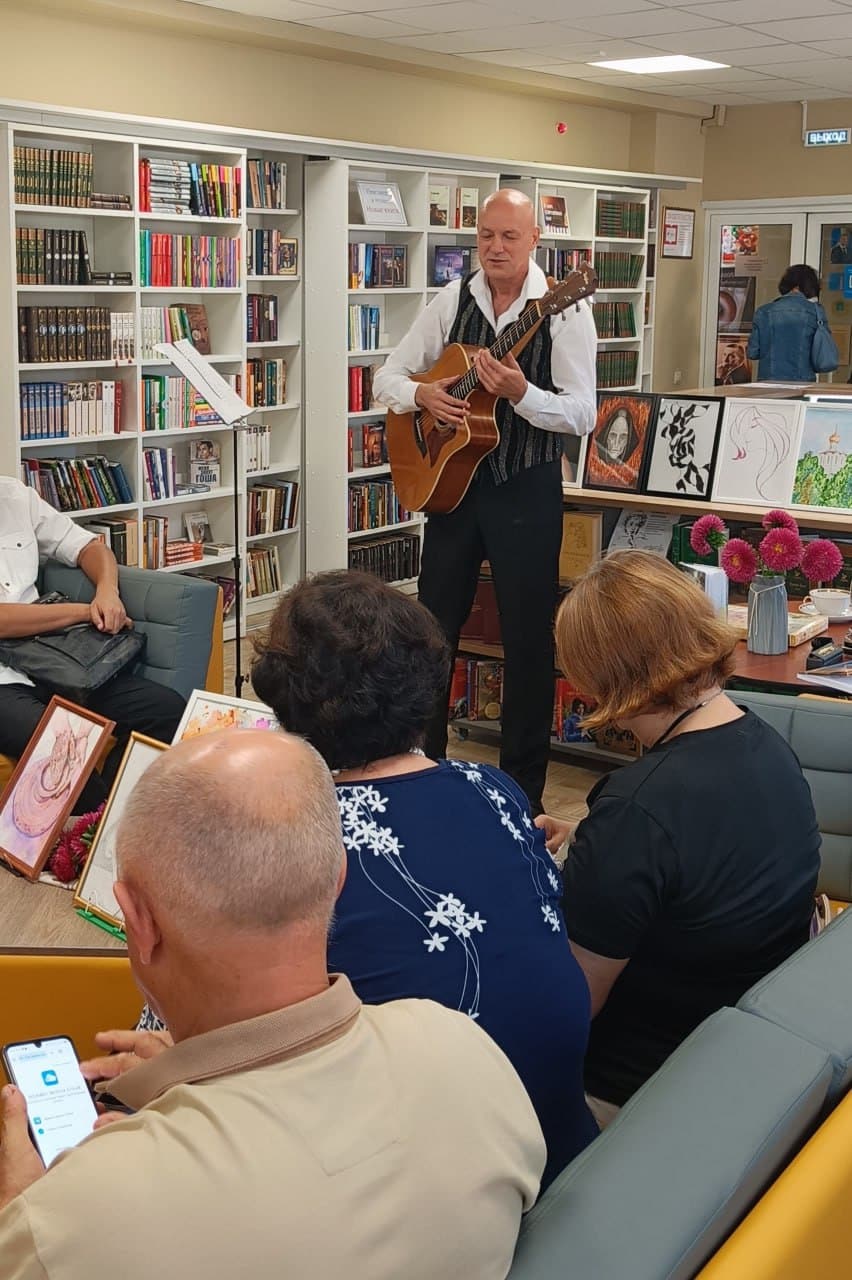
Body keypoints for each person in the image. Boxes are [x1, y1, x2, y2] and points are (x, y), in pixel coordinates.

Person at [0, 730, 545, 1278]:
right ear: (337, 880)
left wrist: (21, 1219)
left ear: (138, 923)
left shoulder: (80, 1219)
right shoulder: (465, 1050)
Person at [249, 570, 598, 1186]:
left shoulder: (297, 838)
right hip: (564, 1146)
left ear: (285, 698)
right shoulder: (494, 788)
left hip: (433, 1187)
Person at [540, 552, 820, 1126]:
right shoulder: (770, 747)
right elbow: (705, 857)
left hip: (636, 1092)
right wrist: (590, 842)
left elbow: (566, 1008)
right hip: (735, 1052)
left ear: (599, 679)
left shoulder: (638, 809)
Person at [373, 188, 597, 814]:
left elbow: (583, 413)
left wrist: (523, 393)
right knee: (431, 629)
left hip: (525, 487)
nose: (496, 248)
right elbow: (387, 376)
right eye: (486, 237)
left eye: (509, 237)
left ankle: (524, 798)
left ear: (534, 242)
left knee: (529, 642)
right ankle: (424, 770)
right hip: (452, 488)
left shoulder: (564, 311)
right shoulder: (453, 298)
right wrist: (423, 399)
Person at [0, 477, 185, 808]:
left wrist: (107, 591)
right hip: (3, 679)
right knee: (62, 743)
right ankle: (90, 840)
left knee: (165, 709)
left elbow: (89, 546)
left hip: (52, 657)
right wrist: (84, 611)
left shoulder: (15, 496)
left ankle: (123, 818)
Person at [746, 264, 838, 382]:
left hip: (768, 383)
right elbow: (821, 350)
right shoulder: (816, 312)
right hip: (803, 382)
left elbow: (753, 353)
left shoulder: (763, 312)